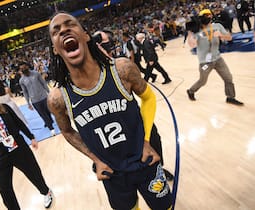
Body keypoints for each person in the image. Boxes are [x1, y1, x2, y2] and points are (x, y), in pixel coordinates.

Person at [47, 12, 172, 210]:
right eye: (56, 31)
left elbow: (148, 98)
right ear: (55, 49)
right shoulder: (58, 98)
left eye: (70, 24)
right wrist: (95, 159)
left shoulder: (121, 69)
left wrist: (147, 141)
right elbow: (67, 131)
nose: (63, 29)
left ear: (86, 35)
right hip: (112, 172)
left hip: (144, 160)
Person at [94, 30, 174, 181]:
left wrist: (147, 137)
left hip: (134, 122)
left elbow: (147, 98)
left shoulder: (121, 66)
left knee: (155, 140)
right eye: (95, 42)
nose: (98, 45)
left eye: (102, 42)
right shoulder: (88, 73)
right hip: (111, 133)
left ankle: (159, 169)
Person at [186, 9, 244, 106]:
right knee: (203, 81)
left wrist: (221, 35)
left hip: (217, 59)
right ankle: (191, 91)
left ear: (211, 16)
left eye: (208, 15)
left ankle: (230, 97)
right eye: (205, 15)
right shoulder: (198, 30)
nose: (207, 17)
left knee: (228, 78)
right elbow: (192, 45)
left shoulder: (217, 26)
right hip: (205, 62)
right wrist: (190, 32)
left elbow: (229, 37)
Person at [18, 62, 56, 136]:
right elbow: (25, 92)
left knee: (48, 111)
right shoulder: (21, 80)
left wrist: (49, 93)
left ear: (27, 67)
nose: (23, 69)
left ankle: (49, 121)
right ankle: (51, 128)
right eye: (21, 68)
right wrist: (28, 103)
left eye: (24, 67)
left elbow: (43, 83)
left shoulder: (36, 74)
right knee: (42, 114)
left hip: (44, 97)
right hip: (35, 100)